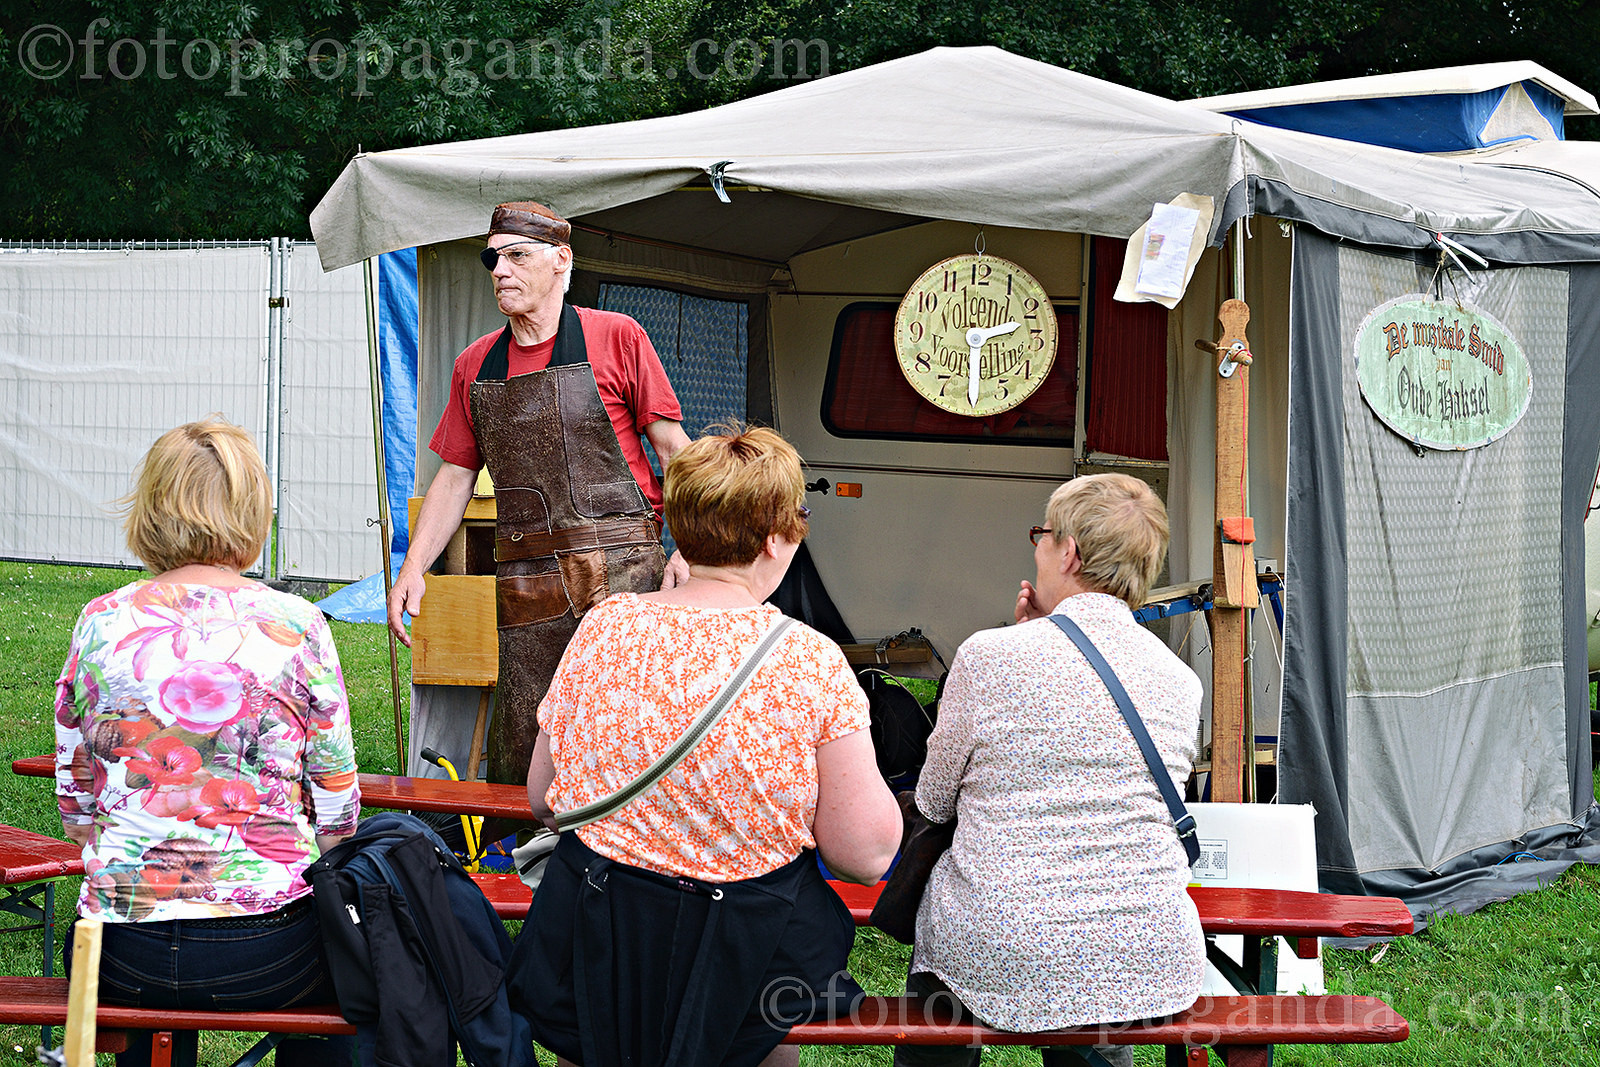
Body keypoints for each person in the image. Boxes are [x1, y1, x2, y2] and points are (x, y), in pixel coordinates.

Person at [508, 425, 902, 1067]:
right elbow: (865, 854)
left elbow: (544, 798)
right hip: (744, 950)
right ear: (778, 537)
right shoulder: (811, 660)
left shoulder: (604, 628)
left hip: (599, 932)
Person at [55, 418, 361, 1067]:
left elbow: (75, 800)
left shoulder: (101, 621)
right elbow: (337, 812)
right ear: (254, 508)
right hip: (267, 949)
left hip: (119, 949)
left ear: (152, 508)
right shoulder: (298, 625)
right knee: (352, 975)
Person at [895, 474, 1205, 1067]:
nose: (1036, 548)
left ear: (1069, 553)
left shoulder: (990, 655)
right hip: (1140, 949)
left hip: (1000, 943)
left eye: (1042, 534)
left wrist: (1022, 638)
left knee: (942, 1018)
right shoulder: (1180, 681)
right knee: (1095, 1010)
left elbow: (935, 801)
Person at [387, 199, 692, 791]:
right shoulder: (475, 365)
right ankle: (525, 869)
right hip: (527, 581)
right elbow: (453, 477)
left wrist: (693, 548)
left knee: (631, 733)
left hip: (629, 572)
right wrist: (413, 567)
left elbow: (676, 453)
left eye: (517, 256)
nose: (500, 271)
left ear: (562, 261)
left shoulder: (618, 337)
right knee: (531, 743)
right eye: (493, 259)